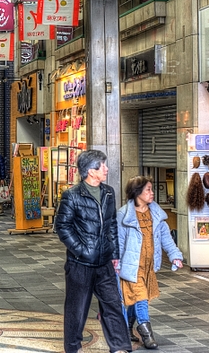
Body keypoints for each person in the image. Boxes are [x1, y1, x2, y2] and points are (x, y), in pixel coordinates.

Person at [55, 150, 132, 353]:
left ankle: (120, 347)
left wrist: (114, 254)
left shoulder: (108, 192)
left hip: (105, 262)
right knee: (77, 309)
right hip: (79, 263)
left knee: (113, 304)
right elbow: (62, 226)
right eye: (102, 165)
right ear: (91, 171)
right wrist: (81, 250)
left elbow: (112, 225)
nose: (106, 169)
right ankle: (72, 348)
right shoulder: (71, 195)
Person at [117, 176, 184, 349]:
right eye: (148, 189)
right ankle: (147, 335)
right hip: (131, 265)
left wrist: (175, 255)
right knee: (141, 298)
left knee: (133, 299)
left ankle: (126, 328)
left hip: (149, 266)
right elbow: (119, 241)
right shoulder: (123, 215)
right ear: (137, 192)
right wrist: (116, 261)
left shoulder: (157, 214)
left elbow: (166, 239)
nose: (152, 192)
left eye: (151, 189)